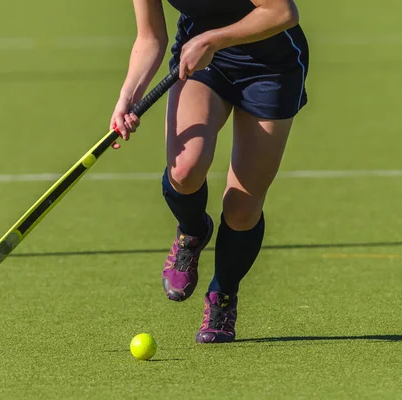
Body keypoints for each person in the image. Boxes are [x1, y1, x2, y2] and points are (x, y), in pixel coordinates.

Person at [110, 0, 309, 343]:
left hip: (270, 67)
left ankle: (223, 294)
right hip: (205, 61)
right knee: (185, 170)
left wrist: (213, 39)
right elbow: (150, 37)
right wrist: (129, 94)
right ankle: (192, 232)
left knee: (242, 208)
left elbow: (282, 12)